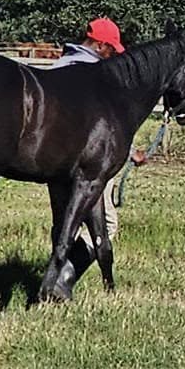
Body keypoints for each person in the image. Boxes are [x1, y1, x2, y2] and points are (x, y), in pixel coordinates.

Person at [51, 17, 147, 277]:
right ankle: (65, 276)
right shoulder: (97, 76)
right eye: (110, 50)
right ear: (100, 45)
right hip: (90, 164)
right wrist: (129, 152)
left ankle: (57, 271)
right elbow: (104, 129)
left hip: (55, 162)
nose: (111, 56)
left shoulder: (60, 65)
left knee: (62, 222)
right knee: (107, 224)